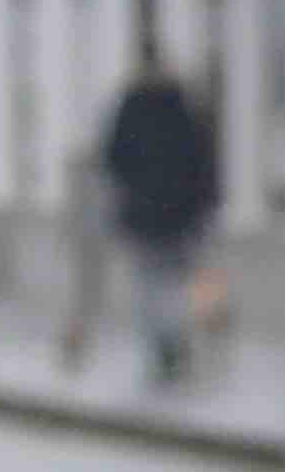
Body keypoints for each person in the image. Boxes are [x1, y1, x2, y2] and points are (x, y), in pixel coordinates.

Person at [88, 49, 220, 385]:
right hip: (181, 216)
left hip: (145, 216)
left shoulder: (130, 107)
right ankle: (176, 339)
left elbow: (111, 158)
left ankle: (165, 345)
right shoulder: (184, 107)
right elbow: (203, 161)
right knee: (179, 280)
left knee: (150, 283)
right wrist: (204, 204)